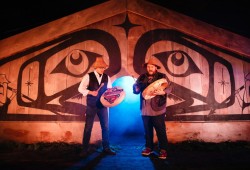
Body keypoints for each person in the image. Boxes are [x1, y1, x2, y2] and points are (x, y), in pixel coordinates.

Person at [133, 56, 172, 159]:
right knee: (147, 130)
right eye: (148, 66)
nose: (150, 68)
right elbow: (136, 89)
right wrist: (136, 88)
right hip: (145, 109)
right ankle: (149, 147)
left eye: (152, 66)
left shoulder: (162, 76)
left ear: (156, 68)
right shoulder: (141, 77)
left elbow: (170, 87)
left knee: (160, 130)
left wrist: (163, 91)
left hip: (158, 108)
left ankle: (163, 149)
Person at [78, 56, 116, 157]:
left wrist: (111, 99)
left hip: (103, 106)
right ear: (96, 68)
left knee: (105, 127)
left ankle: (106, 148)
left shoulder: (106, 77)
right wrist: (90, 92)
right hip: (91, 105)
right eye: (101, 67)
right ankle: (84, 149)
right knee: (88, 128)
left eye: (104, 68)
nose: (103, 69)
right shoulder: (88, 76)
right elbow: (80, 89)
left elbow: (109, 91)